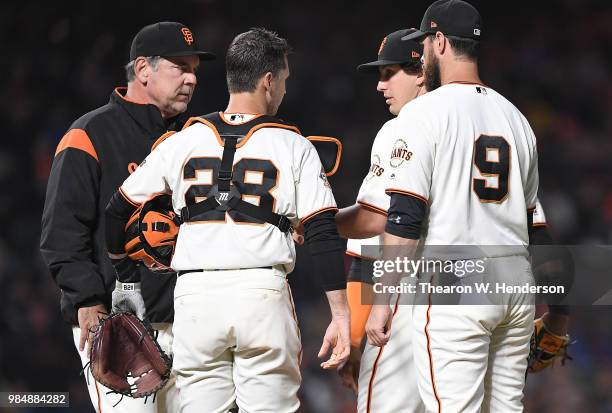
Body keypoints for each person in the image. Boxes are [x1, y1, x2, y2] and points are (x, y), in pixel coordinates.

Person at [103, 27, 350, 413]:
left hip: (195, 297)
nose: (284, 89)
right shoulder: (292, 143)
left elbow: (117, 210)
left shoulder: (182, 140)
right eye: (283, 79)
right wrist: (340, 313)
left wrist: (125, 277)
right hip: (261, 291)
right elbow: (322, 231)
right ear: (268, 81)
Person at [364, 0, 557, 411]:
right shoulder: (516, 118)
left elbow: (404, 217)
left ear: (439, 42)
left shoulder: (423, 114)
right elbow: (534, 227)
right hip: (514, 282)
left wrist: (382, 301)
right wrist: (559, 313)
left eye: (425, 44)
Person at [40, 21, 214, 412]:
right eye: (179, 67)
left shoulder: (198, 137)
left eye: (194, 71)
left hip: (193, 322)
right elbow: (62, 232)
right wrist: (87, 301)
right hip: (121, 325)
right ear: (142, 70)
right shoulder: (90, 133)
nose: (191, 79)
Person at [335, 29, 426, 413]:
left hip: (406, 303)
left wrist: (314, 224)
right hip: (477, 297)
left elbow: (373, 225)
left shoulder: (402, 128)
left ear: (420, 71)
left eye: (389, 73)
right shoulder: (495, 119)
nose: (379, 85)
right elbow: (533, 228)